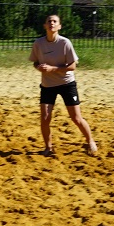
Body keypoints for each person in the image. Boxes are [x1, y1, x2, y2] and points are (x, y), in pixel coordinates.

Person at [29, 14, 98, 156]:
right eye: (49, 21)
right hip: (48, 85)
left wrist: (53, 69)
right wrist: (39, 67)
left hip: (67, 83)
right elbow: (35, 62)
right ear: (45, 26)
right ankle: (48, 148)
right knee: (45, 118)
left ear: (59, 26)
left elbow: (73, 66)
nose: (52, 23)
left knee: (76, 118)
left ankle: (90, 141)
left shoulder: (65, 43)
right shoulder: (38, 43)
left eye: (55, 21)